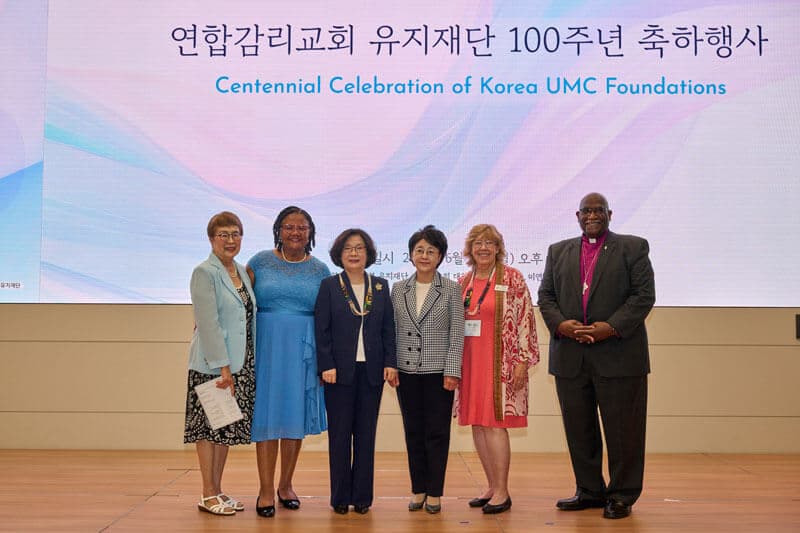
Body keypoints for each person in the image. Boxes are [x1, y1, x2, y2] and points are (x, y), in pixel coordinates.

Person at [537, 192, 655, 520]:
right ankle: (588, 490)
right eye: (586, 211)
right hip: (571, 356)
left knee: (624, 432)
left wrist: (611, 327)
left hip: (619, 355)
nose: (592, 215)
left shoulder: (633, 247)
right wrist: (561, 325)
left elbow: (644, 296)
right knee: (580, 429)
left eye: (598, 210)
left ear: (610, 214)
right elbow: (545, 296)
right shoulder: (558, 251)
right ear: (577, 216)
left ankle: (622, 495)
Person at [246, 206, 330, 518]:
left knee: (293, 417)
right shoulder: (259, 262)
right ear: (278, 230)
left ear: (311, 233)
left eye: (302, 227)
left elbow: (328, 317)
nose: (295, 232)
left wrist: (326, 359)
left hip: (304, 351)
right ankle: (265, 489)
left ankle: (285, 484)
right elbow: (237, 297)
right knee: (266, 418)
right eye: (289, 226)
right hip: (267, 348)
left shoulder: (321, 269)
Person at [456, 224, 539, 515]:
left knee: (495, 424)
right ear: (469, 249)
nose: (483, 248)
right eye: (478, 243)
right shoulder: (463, 282)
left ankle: (503, 491)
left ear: (498, 248)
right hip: (470, 363)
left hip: (501, 364)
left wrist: (522, 360)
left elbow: (526, 319)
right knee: (478, 424)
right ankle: (491, 485)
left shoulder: (513, 278)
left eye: (489, 243)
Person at [314, 228, 398, 515]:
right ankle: (340, 497)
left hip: (372, 372)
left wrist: (390, 362)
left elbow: (389, 329)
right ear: (340, 253)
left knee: (365, 435)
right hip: (338, 373)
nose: (354, 253)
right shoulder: (329, 285)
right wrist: (326, 364)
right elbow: (321, 330)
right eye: (348, 248)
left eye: (359, 248)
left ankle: (362, 497)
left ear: (368, 253)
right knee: (340, 436)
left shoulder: (380, 286)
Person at [184, 211, 256, 516]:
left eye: (235, 234)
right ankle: (207, 492)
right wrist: (223, 366)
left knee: (224, 428)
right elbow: (208, 323)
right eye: (223, 235)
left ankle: (218, 489)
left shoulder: (240, 271)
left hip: (241, 362)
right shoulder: (205, 272)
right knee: (208, 429)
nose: (230, 240)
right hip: (213, 365)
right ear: (212, 239)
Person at [391, 225, 464, 514]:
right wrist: (391, 365)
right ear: (411, 254)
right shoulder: (398, 289)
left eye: (431, 251)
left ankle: (435, 492)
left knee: (437, 433)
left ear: (440, 256)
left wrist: (452, 370)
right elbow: (392, 331)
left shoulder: (451, 289)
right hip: (406, 372)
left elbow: (456, 333)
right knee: (413, 433)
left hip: (439, 374)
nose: (424, 255)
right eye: (419, 250)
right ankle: (418, 489)